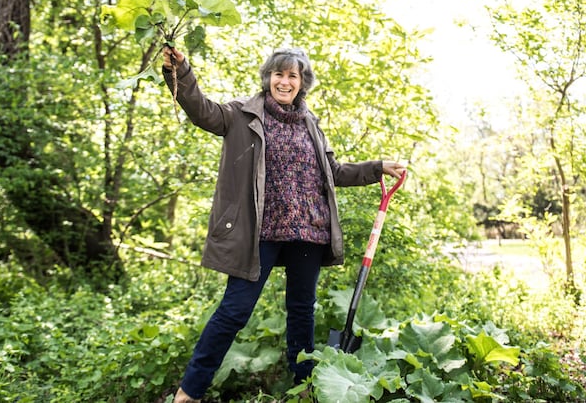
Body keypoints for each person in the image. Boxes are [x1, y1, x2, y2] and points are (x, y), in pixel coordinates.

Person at [162, 46, 407, 403]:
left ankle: (304, 386)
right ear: (268, 77)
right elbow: (202, 111)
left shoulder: (311, 123)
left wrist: (377, 167)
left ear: (302, 82)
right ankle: (190, 391)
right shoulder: (241, 115)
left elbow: (334, 172)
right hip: (259, 232)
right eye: (279, 74)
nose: (285, 81)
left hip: (309, 232)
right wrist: (180, 72)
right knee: (234, 310)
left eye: (293, 75)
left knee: (302, 311)